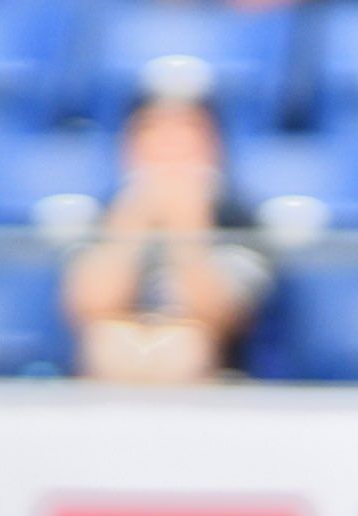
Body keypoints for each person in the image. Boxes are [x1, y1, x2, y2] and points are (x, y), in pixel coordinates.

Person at [61, 94, 272, 383]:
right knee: (110, 342)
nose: (170, 144)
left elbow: (219, 315)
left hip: (209, 372)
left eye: (187, 130)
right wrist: (131, 222)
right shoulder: (103, 214)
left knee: (182, 347)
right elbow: (90, 308)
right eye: (152, 130)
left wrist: (187, 227)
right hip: (115, 359)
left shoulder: (235, 218)